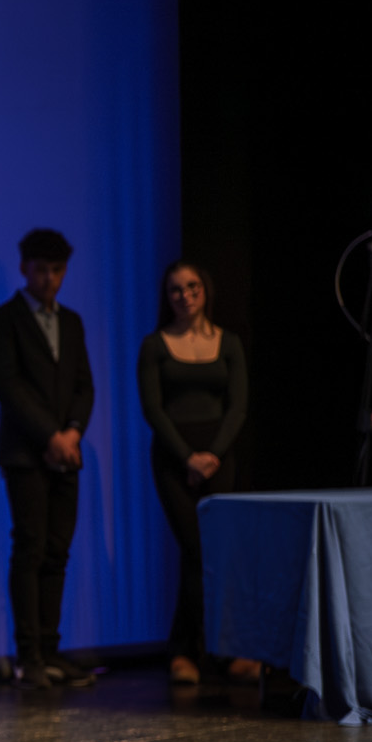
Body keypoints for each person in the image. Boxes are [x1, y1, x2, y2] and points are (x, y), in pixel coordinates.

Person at [0, 229, 97, 689]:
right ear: (24, 269)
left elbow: (84, 386)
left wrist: (72, 433)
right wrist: (50, 435)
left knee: (57, 552)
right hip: (25, 453)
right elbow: (8, 387)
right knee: (29, 548)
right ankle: (28, 657)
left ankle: (51, 652)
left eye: (57, 270)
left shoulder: (72, 322)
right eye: (40, 269)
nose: (49, 278)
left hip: (66, 452)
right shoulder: (3, 320)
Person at [137, 262, 251, 685]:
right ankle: (193, 651)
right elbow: (153, 409)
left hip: (219, 458)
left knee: (217, 553)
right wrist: (188, 457)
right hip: (174, 459)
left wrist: (213, 455)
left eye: (191, 287)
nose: (184, 296)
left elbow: (237, 406)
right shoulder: (155, 345)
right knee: (196, 549)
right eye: (175, 290)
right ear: (166, 297)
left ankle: (207, 649)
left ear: (205, 290)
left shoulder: (229, 343)